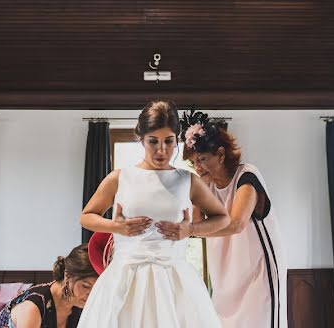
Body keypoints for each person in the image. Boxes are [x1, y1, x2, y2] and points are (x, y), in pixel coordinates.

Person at [76, 100, 230, 328]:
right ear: (141, 139)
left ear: (176, 140)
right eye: (153, 141)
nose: (161, 150)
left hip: (174, 280)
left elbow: (223, 218)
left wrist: (191, 230)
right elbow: (87, 216)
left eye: (168, 141)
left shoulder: (187, 180)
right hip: (125, 279)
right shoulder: (120, 178)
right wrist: (117, 227)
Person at [183, 110, 285, 328]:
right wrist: (195, 189)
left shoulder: (247, 176)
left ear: (220, 154)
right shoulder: (205, 185)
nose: (198, 167)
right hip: (225, 276)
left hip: (258, 272)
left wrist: (190, 229)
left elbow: (237, 224)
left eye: (202, 159)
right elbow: (197, 222)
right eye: (193, 163)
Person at [0, 244, 97, 328]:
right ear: (67, 275)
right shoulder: (33, 308)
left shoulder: (78, 306)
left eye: (96, 288)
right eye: (86, 286)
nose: (91, 295)